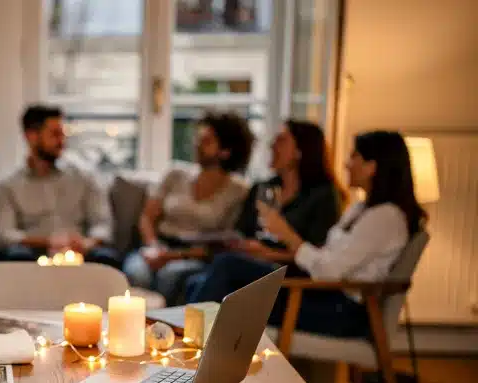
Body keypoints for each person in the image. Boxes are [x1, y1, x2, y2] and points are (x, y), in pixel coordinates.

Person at [190, 130, 424, 338]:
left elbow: (330, 272)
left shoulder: (385, 218)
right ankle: (195, 350)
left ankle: (187, 346)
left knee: (227, 268)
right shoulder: (360, 209)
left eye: (354, 157)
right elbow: (327, 256)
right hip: (323, 298)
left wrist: (287, 235)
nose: (346, 164)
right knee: (216, 278)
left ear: (372, 167)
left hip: (340, 311)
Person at [186, 120, 343, 300]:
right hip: (253, 267)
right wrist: (242, 244)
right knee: (192, 281)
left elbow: (317, 256)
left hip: (290, 277)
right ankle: (177, 327)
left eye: (281, 141)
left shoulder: (322, 196)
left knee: (225, 265)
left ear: (300, 151)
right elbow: (242, 232)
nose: (272, 145)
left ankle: (188, 328)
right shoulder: (262, 188)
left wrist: (267, 253)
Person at [122, 111, 254, 305]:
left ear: (226, 150)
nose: (197, 144)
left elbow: (228, 241)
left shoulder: (239, 191)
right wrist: (153, 247)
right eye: (198, 138)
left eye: (207, 141)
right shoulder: (175, 174)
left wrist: (175, 256)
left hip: (196, 255)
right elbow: (147, 217)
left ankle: (166, 331)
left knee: (170, 276)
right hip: (158, 246)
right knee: (136, 273)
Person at [0, 105, 119, 266]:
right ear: (31, 136)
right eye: (55, 134)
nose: (62, 141)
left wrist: (87, 243)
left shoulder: (84, 176)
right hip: (33, 256)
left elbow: (103, 224)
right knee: (16, 256)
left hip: (80, 255)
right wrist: (46, 242)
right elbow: (3, 235)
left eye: (63, 134)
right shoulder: (8, 186)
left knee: (106, 258)